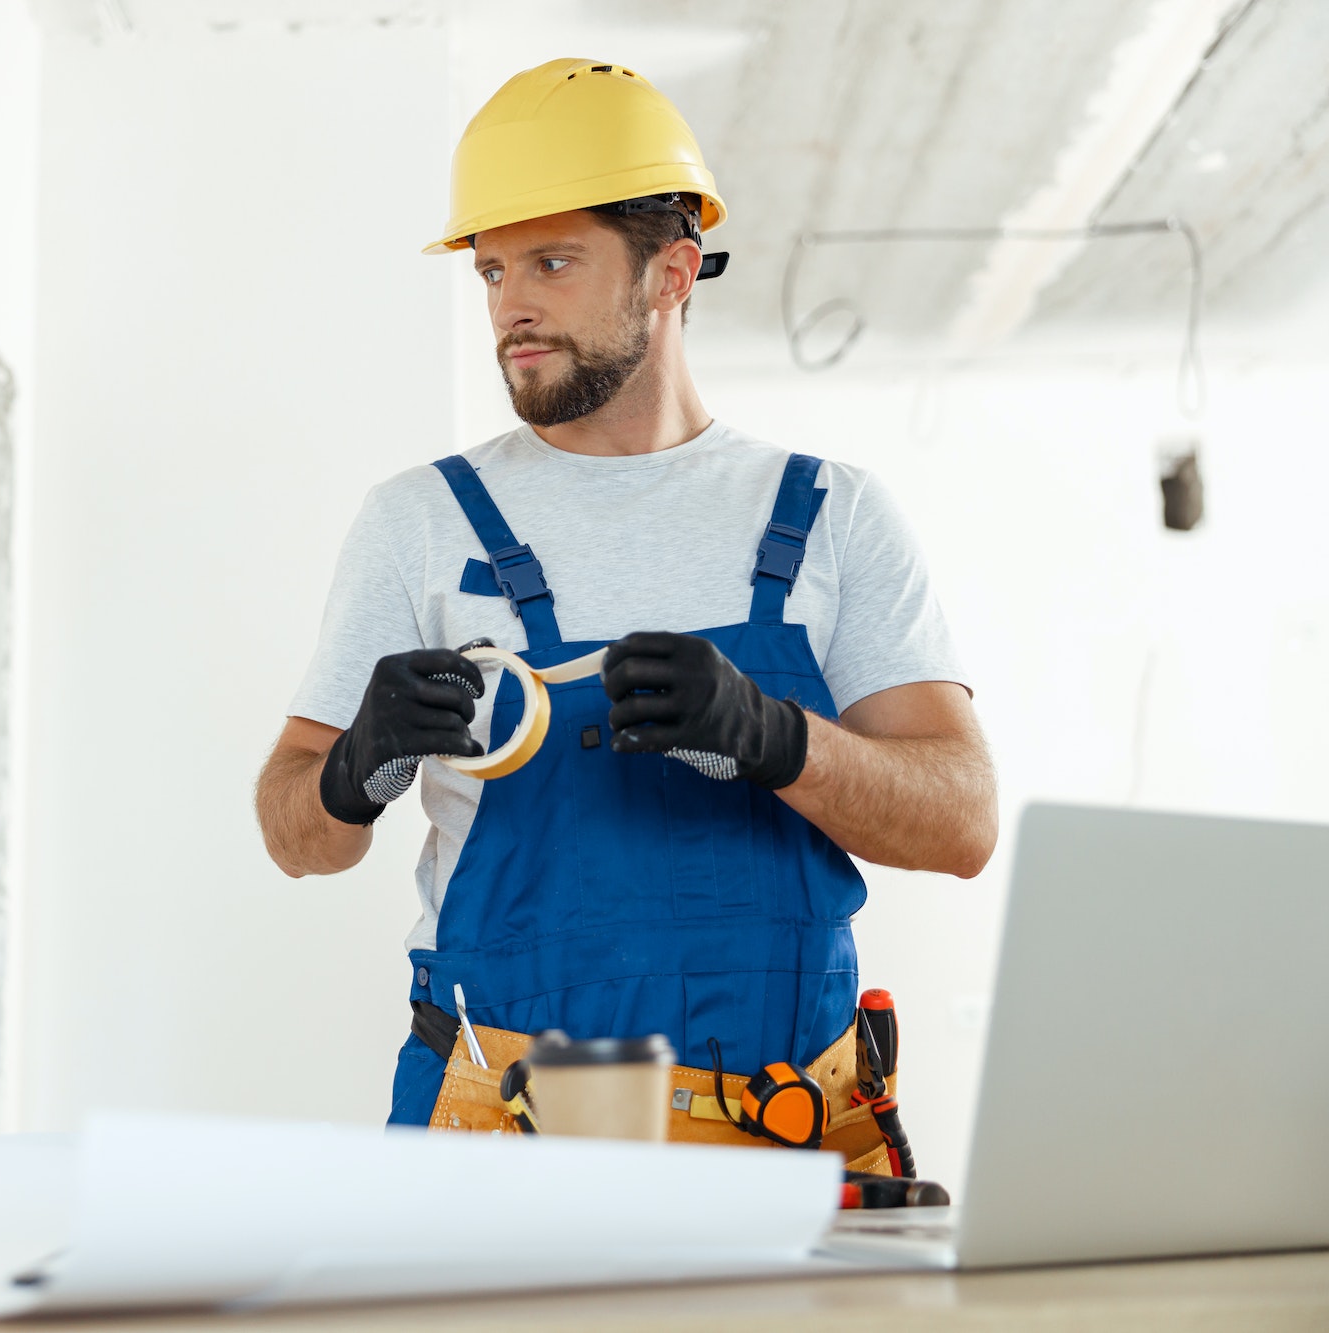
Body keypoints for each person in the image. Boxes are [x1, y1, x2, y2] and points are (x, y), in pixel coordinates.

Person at [253, 59, 996, 1168]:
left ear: (670, 273)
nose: (511, 304)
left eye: (551, 261)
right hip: (501, 1140)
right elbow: (291, 837)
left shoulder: (830, 515)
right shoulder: (418, 523)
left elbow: (961, 821)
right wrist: (353, 765)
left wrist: (776, 738)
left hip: (788, 1139)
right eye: (493, 269)